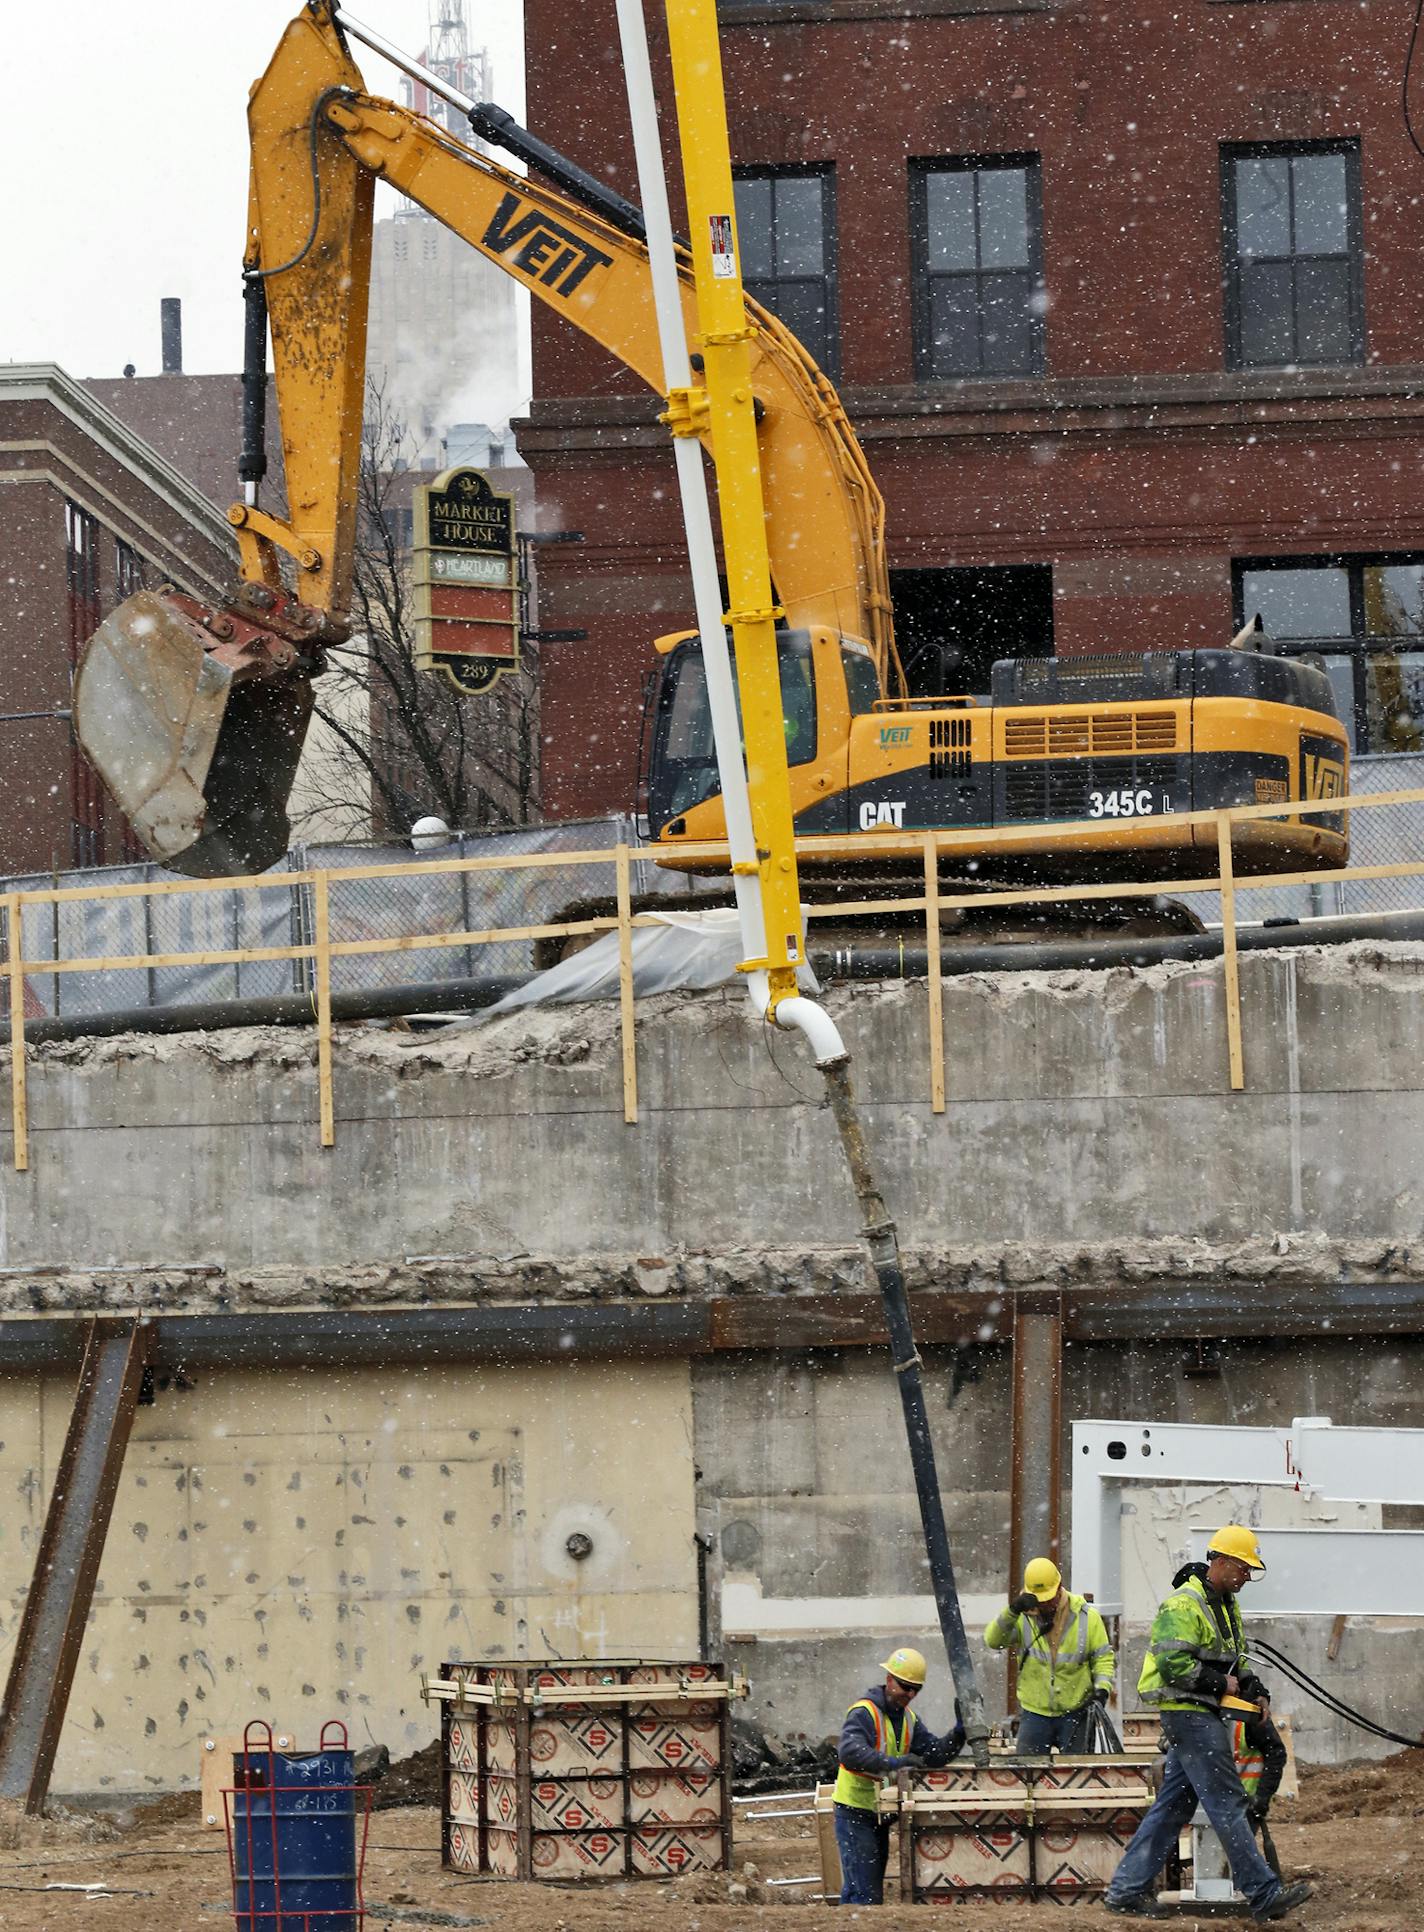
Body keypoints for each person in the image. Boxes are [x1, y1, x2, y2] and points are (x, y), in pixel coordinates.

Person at [1104, 1525, 1312, 1922]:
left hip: (1200, 1713)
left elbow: (1237, 1660)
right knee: (1227, 1802)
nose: (1248, 1576)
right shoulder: (1184, 1605)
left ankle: (1125, 1891)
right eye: (1244, 1568)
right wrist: (1221, 1683)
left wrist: (1256, 1689)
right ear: (1221, 1561)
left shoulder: (1225, 1604)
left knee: (1172, 1808)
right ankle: (1263, 1893)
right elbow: (1172, 1664)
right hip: (1189, 1713)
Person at [833, 1645, 965, 1905]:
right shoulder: (864, 1713)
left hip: (878, 1813)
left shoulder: (908, 1719)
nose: (910, 1694)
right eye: (905, 1686)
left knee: (863, 1890)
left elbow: (934, 1754)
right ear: (889, 1680)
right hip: (855, 1811)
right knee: (865, 1895)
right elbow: (849, 1752)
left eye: (916, 1689)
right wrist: (896, 1764)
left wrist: (959, 1733)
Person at [984, 1557, 1115, 1753]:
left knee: (1076, 1776)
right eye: (1040, 1599)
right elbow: (993, 1641)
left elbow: (1102, 1658)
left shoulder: (1087, 1617)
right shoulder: (1022, 1617)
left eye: (1048, 1598)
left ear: (1060, 1587)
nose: (1044, 1604)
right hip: (1035, 1713)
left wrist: (1102, 1689)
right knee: (1029, 1775)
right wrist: (1012, 1611)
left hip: (1076, 1712)